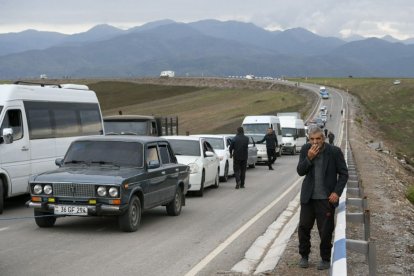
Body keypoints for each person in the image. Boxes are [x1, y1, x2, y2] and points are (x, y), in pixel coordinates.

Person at [296, 127, 348, 270]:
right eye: (312, 139)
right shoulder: (306, 149)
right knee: (303, 228)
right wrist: (309, 158)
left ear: (323, 138)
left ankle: (325, 259)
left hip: (326, 199)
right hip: (308, 197)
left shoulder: (334, 152)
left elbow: (344, 174)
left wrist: (336, 192)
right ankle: (304, 256)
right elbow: (300, 171)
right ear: (309, 139)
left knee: (325, 230)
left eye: (318, 139)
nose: (315, 142)